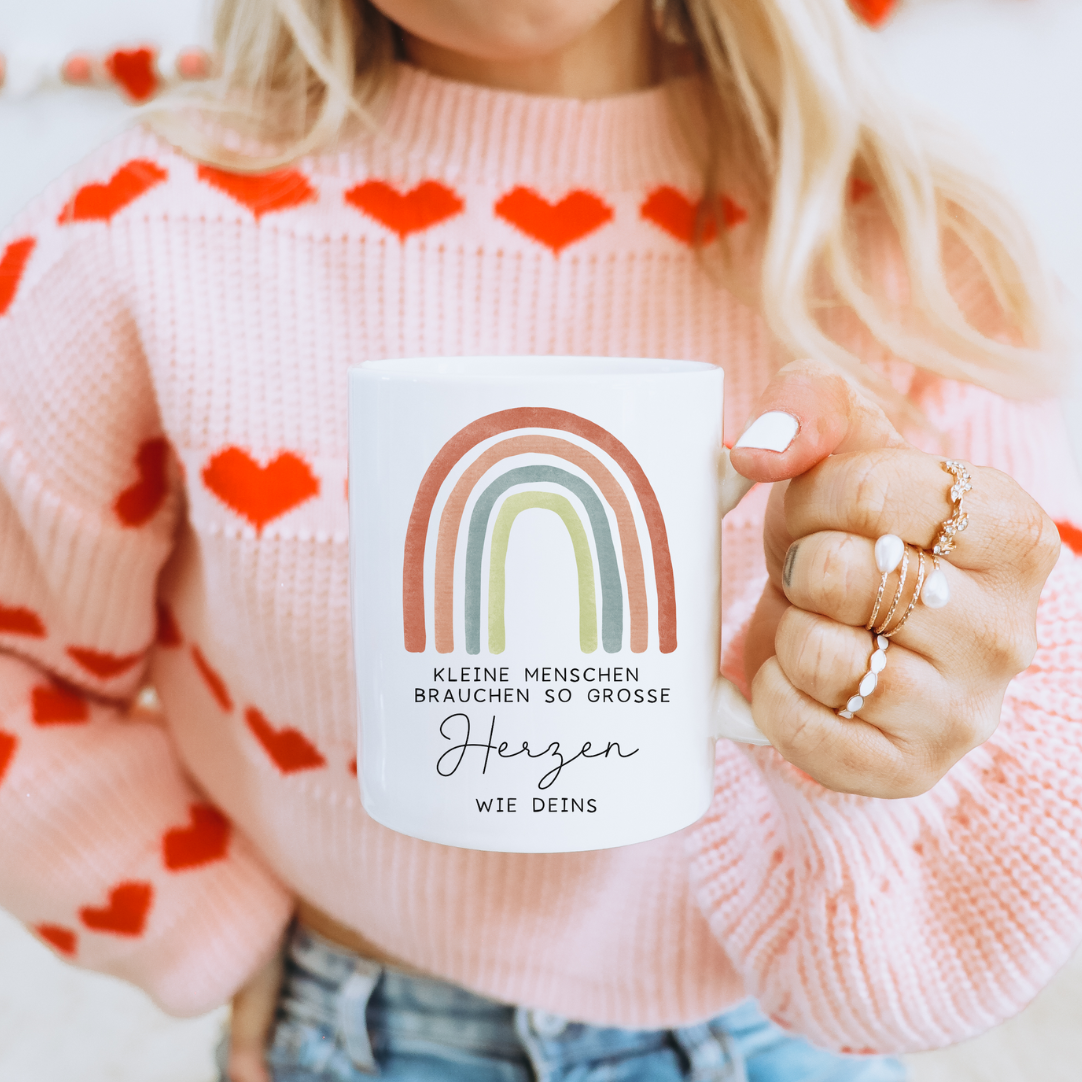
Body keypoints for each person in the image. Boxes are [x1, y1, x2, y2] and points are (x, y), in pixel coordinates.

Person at [0, 0, 1079, 1079]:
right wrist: (205, 924)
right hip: (366, 1033)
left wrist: (878, 731)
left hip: (786, 1042)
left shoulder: (903, 242)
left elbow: (964, 903)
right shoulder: (138, 230)